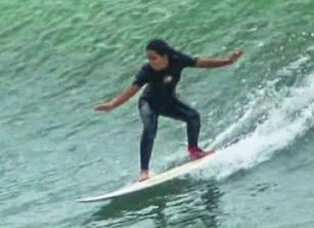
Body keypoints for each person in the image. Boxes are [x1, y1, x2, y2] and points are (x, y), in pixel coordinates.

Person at [94, 39, 244, 181]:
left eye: (153, 58)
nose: (150, 61)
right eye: (148, 58)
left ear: (164, 56)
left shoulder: (178, 60)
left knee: (193, 117)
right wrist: (112, 105)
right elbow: (131, 91)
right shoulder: (147, 71)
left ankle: (194, 151)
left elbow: (201, 62)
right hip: (148, 103)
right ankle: (144, 172)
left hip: (168, 102)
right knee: (149, 127)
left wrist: (228, 61)